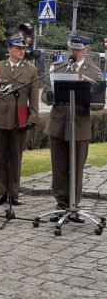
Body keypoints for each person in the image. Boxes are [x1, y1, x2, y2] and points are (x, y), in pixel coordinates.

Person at [42, 32, 104, 223]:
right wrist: (51, 94)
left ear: (86, 49)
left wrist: (87, 98)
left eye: (78, 49)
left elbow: (99, 105)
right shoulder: (57, 67)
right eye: (72, 48)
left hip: (79, 125)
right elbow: (45, 96)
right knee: (59, 168)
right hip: (58, 124)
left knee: (76, 168)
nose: (74, 52)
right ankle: (61, 206)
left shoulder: (94, 71)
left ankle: (74, 207)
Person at [0, 31, 39, 205]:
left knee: (16, 157)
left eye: (23, 48)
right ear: (9, 49)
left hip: (20, 120)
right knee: (1, 156)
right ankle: (2, 191)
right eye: (18, 48)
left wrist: (33, 118)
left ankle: (14, 193)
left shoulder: (31, 70)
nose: (22, 51)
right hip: (0, 119)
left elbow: (34, 98)